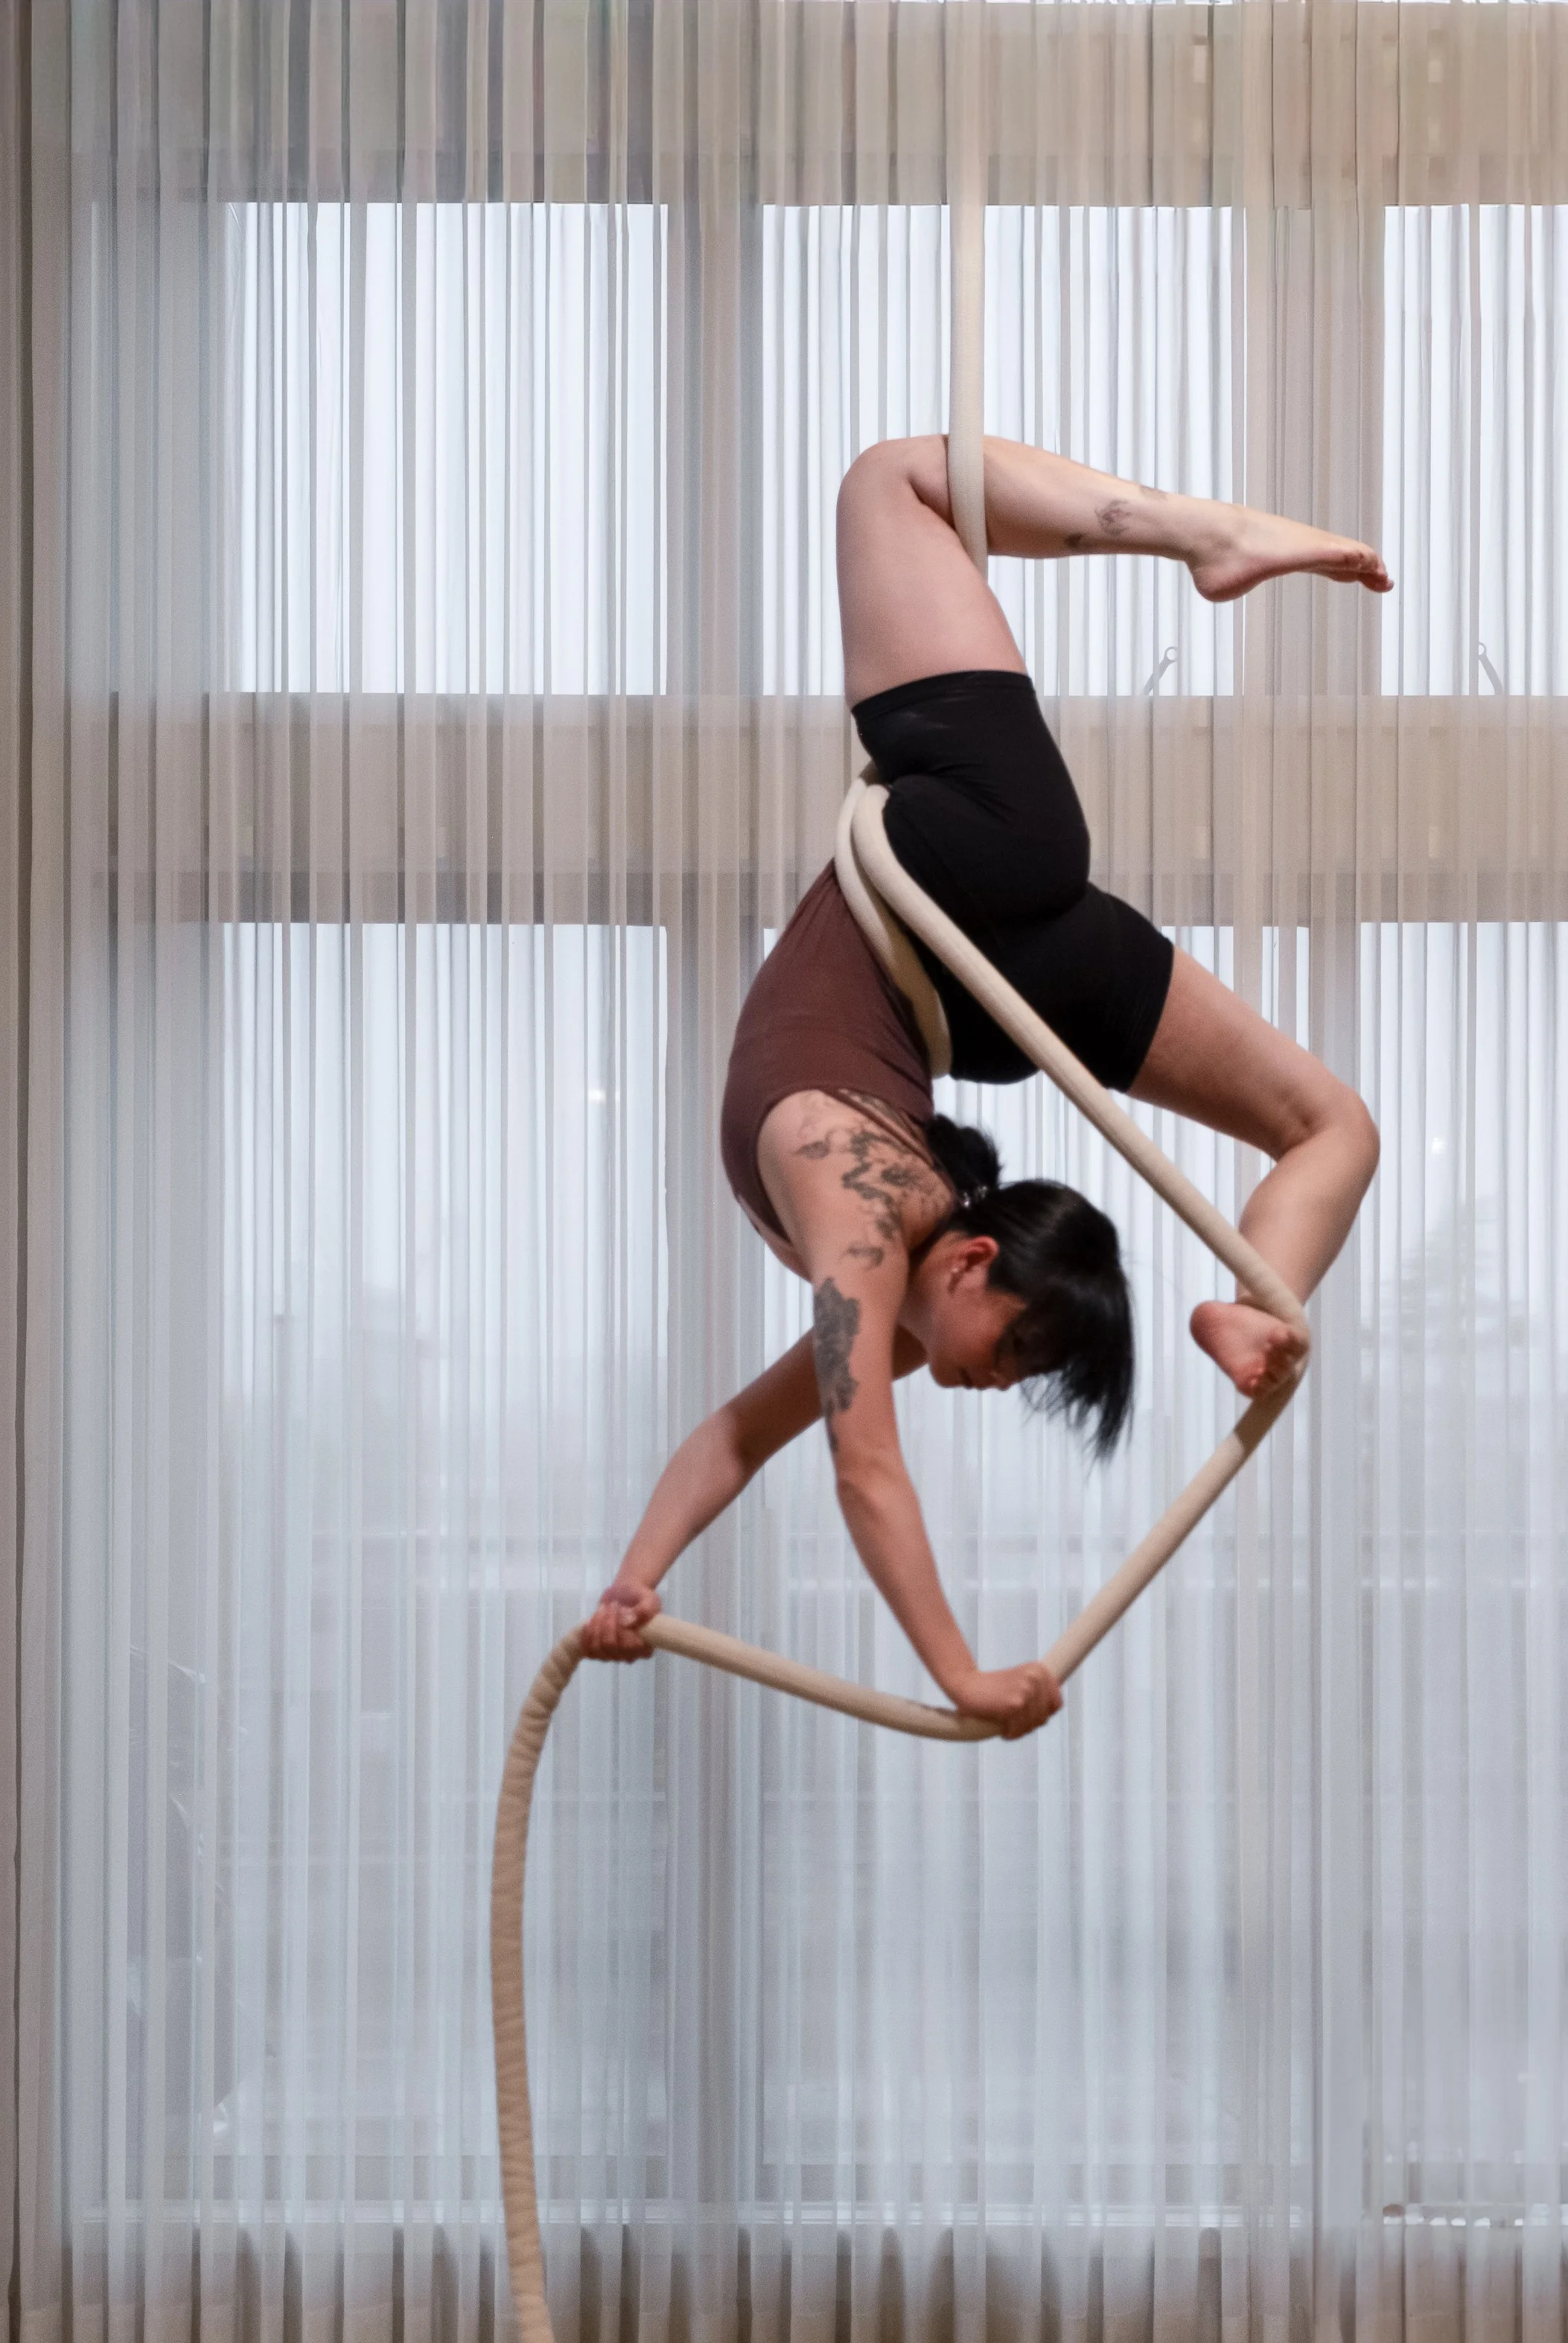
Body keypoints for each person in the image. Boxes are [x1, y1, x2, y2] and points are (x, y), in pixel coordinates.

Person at [583, 438, 1389, 1738]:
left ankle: (1257, 1308)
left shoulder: (894, 1274)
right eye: (1018, 1345)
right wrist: (958, 1673)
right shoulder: (862, 1201)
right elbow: (864, 1466)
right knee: (889, 483)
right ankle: (1204, 536)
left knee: (1332, 1127)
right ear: (966, 1262)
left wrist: (636, 1574)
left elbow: (737, 1433)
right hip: (976, 870)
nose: (1004, 1381)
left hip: (966, 980)